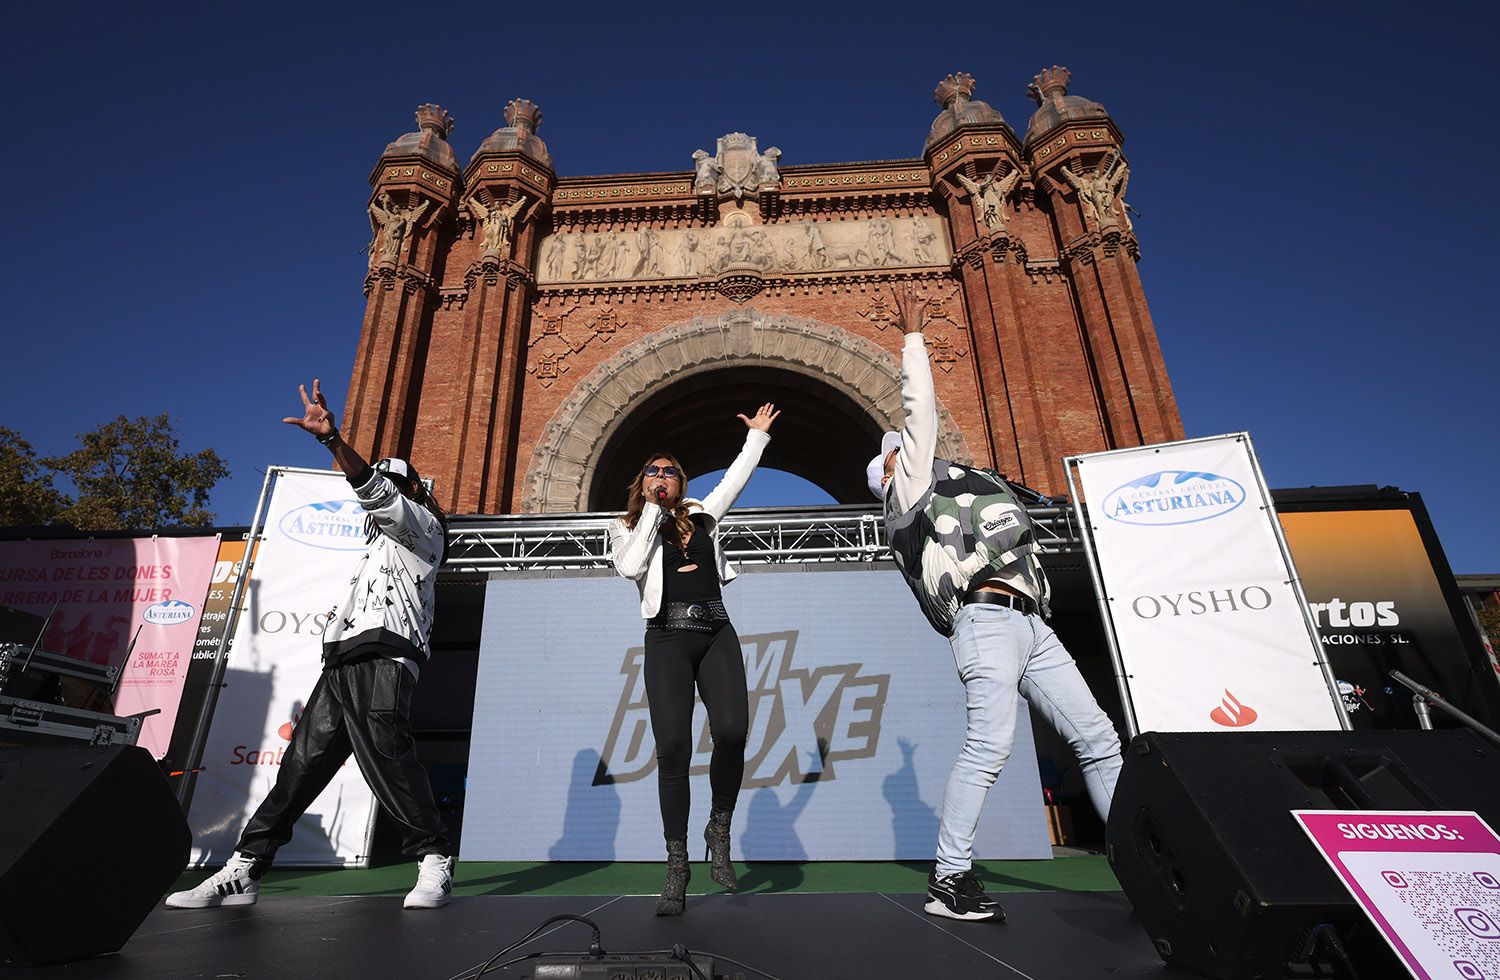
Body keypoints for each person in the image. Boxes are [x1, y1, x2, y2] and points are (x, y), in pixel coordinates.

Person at [867, 288, 1123, 923]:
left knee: (1098, 737)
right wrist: (914, 343)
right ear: (892, 467)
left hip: (1031, 624)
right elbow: (919, 414)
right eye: (900, 448)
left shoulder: (964, 486)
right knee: (989, 747)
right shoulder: (909, 491)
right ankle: (949, 879)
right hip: (984, 619)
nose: (911, 447)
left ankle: (1139, 857)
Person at [166, 379, 457, 911]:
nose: (382, 489)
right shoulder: (373, 550)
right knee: (298, 770)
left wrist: (333, 443)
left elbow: (375, 489)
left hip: (386, 657)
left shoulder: (423, 531)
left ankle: (435, 859)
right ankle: (245, 867)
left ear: (414, 492)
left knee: (390, 757)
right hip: (344, 660)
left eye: (396, 481)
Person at [607, 404, 780, 915]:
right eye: (652, 472)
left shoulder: (704, 515)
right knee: (674, 749)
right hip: (666, 638)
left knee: (731, 731)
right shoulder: (625, 528)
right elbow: (631, 566)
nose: (661, 477)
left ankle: (719, 825)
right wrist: (652, 515)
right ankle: (677, 864)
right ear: (642, 484)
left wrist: (756, 438)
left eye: (670, 472)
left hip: (715, 628)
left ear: (682, 483)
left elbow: (735, 480)